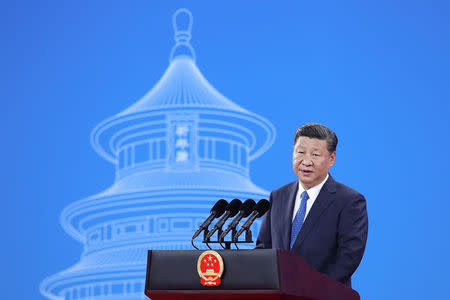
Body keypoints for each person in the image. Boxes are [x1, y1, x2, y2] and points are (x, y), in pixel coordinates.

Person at [256, 123, 368, 287]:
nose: (306, 161)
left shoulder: (350, 201)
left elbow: (347, 258)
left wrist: (308, 287)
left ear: (331, 158)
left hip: (324, 295)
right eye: (300, 152)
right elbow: (263, 249)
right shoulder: (277, 196)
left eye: (315, 154)